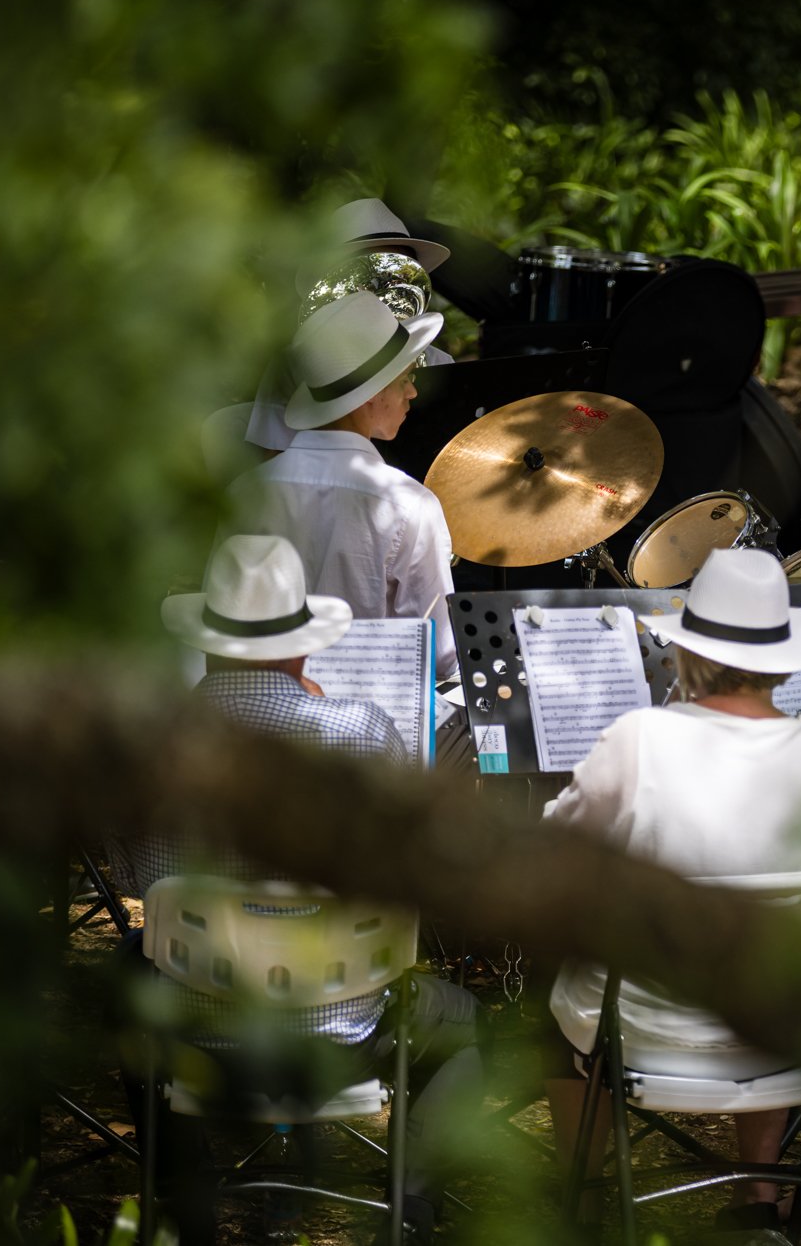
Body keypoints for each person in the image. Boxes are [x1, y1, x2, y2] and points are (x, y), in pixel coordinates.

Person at [119, 534, 481, 1245]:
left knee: (126, 970)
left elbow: (140, 883)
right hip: (344, 1032)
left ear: (204, 642)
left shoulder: (152, 746)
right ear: (303, 648)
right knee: (471, 1031)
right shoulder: (364, 731)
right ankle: (406, 1208)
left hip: (199, 1032)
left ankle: (185, 1203)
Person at [541, 549, 801, 1231]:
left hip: (649, 1030)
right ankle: (760, 1199)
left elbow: (557, 849)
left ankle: (587, 1206)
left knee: (555, 992)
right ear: (781, 657)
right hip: (782, 1030)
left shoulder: (639, 737)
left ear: (688, 650)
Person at [226, 289, 459, 680]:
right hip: (370, 724)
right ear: (369, 397)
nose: (413, 392)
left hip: (261, 719)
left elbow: (224, 622)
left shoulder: (245, 491)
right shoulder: (410, 504)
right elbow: (440, 656)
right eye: (405, 378)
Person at [247, 197, 453, 455]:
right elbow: (270, 458)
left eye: (399, 274)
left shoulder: (438, 360)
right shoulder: (297, 362)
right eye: (370, 276)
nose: (384, 288)